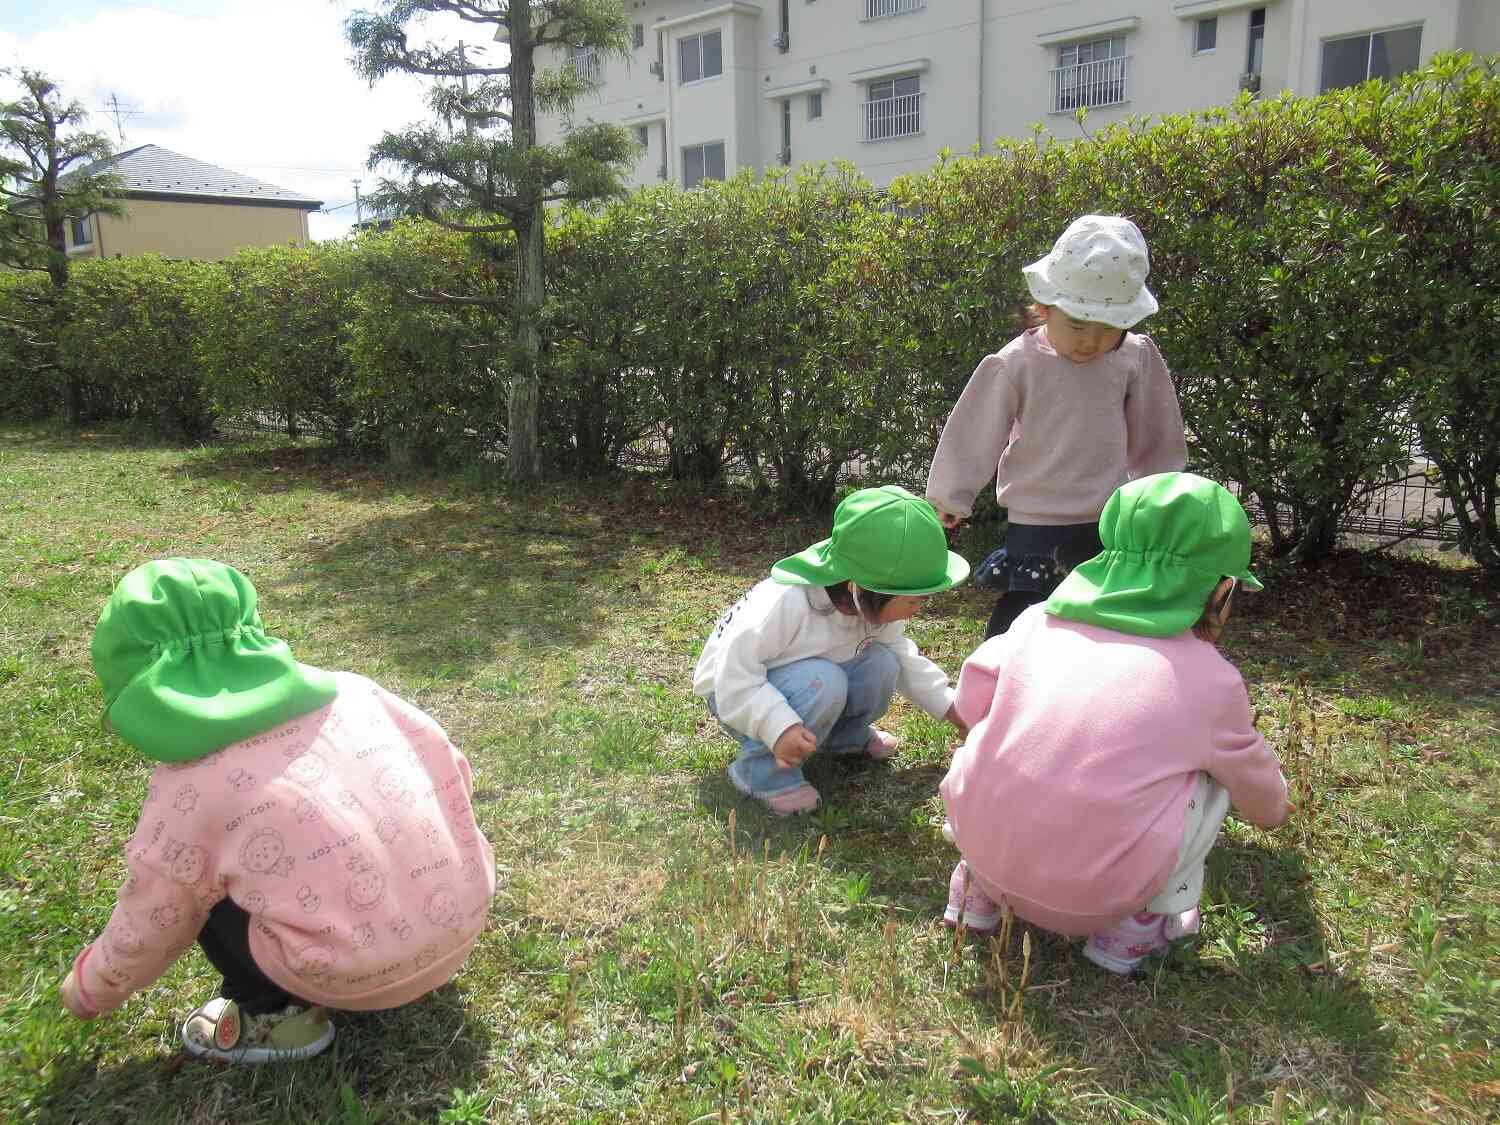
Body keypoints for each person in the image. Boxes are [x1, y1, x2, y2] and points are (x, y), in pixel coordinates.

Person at [58, 559, 496, 1063]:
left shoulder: (190, 789)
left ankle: (274, 1017)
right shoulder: (358, 691)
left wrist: (90, 986)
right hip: (460, 922)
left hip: (349, 973)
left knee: (191, 879)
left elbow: (152, 918)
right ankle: (413, 937)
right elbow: (453, 773)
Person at [939, 473, 1291, 975]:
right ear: (1221, 591)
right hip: (1099, 898)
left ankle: (974, 895)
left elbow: (971, 701)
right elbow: (1251, 775)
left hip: (984, 849)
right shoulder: (1210, 681)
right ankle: (1135, 928)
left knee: (998, 742)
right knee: (1211, 782)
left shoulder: (1035, 621)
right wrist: (1274, 809)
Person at [926, 214, 1188, 639]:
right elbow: (975, 429)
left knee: (1097, 620)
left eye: (1109, 328)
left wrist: (1159, 494)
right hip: (1035, 519)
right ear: (1045, 308)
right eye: (1078, 323)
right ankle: (1001, 675)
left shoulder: (1133, 357)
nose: (1091, 340)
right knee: (1022, 618)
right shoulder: (1018, 362)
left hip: (1108, 519)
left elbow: (1156, 434)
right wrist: (950, 495)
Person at [694, 485, 971, 816]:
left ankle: (842, 738)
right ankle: (763, 773)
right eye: (913, 600)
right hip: (734, 693)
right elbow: (733, 676)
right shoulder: (785, 604)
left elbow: (903, 657)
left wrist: (950, 705)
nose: (918, 609)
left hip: (804, 678)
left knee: (883, 663)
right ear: (861, 590)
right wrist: (777, 726)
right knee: (824, 681)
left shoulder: (869, 606)